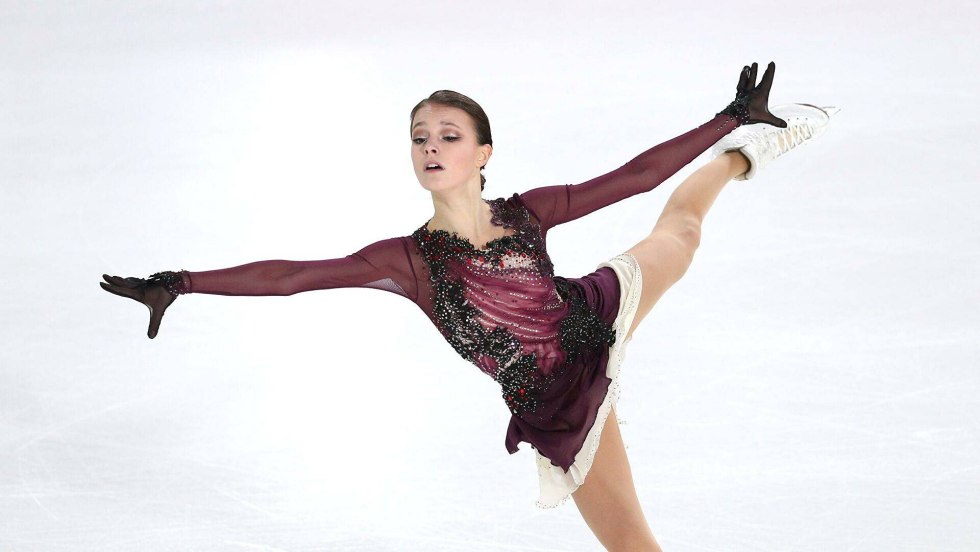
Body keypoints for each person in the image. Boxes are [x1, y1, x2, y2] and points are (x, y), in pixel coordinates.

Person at [101, 61, 837, 552]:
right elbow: (294, 275)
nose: (431, 146)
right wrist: (184, 281)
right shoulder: (407, 262)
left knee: (678, 230)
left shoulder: (530, 213)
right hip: (562, 404)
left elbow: (637, 178)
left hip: (596, 312)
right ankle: (738, 149)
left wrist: (724, 119)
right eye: (419, 137)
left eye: (449, 136)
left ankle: (742, 153)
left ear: (483, 151)